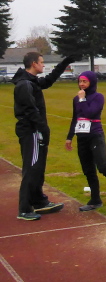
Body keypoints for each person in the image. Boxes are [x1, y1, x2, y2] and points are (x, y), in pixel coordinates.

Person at [12, 51, 76, 220]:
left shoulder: (32, 81)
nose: (43, 65)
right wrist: (43, 129)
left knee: (38, 168)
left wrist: (65, 62)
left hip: (36, 131)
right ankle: (24, 209)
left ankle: (39, 201)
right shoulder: (24, 85)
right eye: (41, 62)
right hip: (31, 132)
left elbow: (48, 80)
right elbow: (30, 111)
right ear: (34, 64)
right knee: (32, 168)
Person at [64, 71, 106, 212]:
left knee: (103, 167)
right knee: (88, 170)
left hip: (95, 135)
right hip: (82, 137)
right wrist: (69, 137)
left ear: (91, 82)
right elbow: (75, 118)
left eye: (85, 81)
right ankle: (95, 200)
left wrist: (82, 100)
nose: (81, 84)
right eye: (80, 81)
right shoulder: (76, 99)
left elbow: (90, 113)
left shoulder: (98, 97)